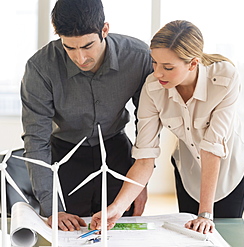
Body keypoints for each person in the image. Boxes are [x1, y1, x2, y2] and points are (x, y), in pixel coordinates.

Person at [91, 20, 244, 234]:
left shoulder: (224, 78)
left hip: (230, 170)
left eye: (168, 67)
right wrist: (116, 208)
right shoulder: (153, 88)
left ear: (193, 64)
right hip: (188, 171)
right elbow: (144, 159)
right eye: (154, 63)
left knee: (223, 235)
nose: (158, 73)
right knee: (188, 235)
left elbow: (212, 147)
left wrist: (205, 214)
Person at [20, 0, 152, 231]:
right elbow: (36, 140)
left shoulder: (139, 57)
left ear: (104, 30)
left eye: (87, 46)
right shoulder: (40, 68)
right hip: (64, 156)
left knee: (120, 229)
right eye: (69, 48)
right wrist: (52, 208)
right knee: (67, 232)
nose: (80, 58)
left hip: (117, 151)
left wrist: (139, 183)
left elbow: (148, 125)